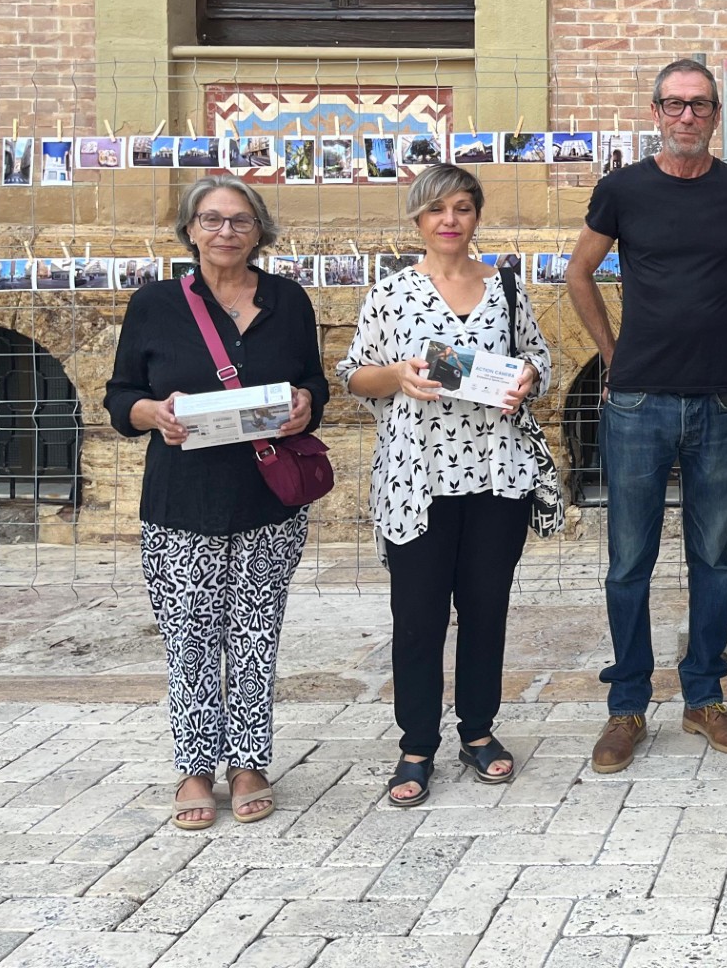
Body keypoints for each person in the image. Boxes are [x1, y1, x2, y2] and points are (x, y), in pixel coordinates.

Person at [566, 58, 727, 772]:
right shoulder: (622, 190)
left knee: (714, 558)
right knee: (629, 561)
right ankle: (627, 706)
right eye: (674, 105)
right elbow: (579, 272)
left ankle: (704, 697)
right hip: (636, 402)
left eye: (699, 106)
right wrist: (610, 353)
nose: (686, 117)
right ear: (656, 113)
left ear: (715, 114)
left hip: (720, 400)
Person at [104, 175, 327, 830]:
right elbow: (121, 398)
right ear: (190, 230)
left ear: (260, 232)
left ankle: (250, 761)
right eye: (211, 220)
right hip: (182, 503)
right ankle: (195, 767)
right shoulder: (155, 305)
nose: (225, 231)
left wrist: (308, 404)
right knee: (190, 636)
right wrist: (151, 412)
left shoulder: (288, 301)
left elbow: (312, 381)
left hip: (268, 500)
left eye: (239, 220)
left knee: (256, 635)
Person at [340, 164, 550, 807]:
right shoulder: (392, 294)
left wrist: (527, 381)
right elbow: (354, 375)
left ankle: (480, 731)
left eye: (462, 207)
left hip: (495, 469)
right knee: (419, 615)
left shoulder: (507, 288)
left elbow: (537, 360)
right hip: (418, 476)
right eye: (437, 210)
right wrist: (398, 375)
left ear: (477, 215)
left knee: (486, 609)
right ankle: (416, 744)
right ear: (418, 220)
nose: (450, 220)